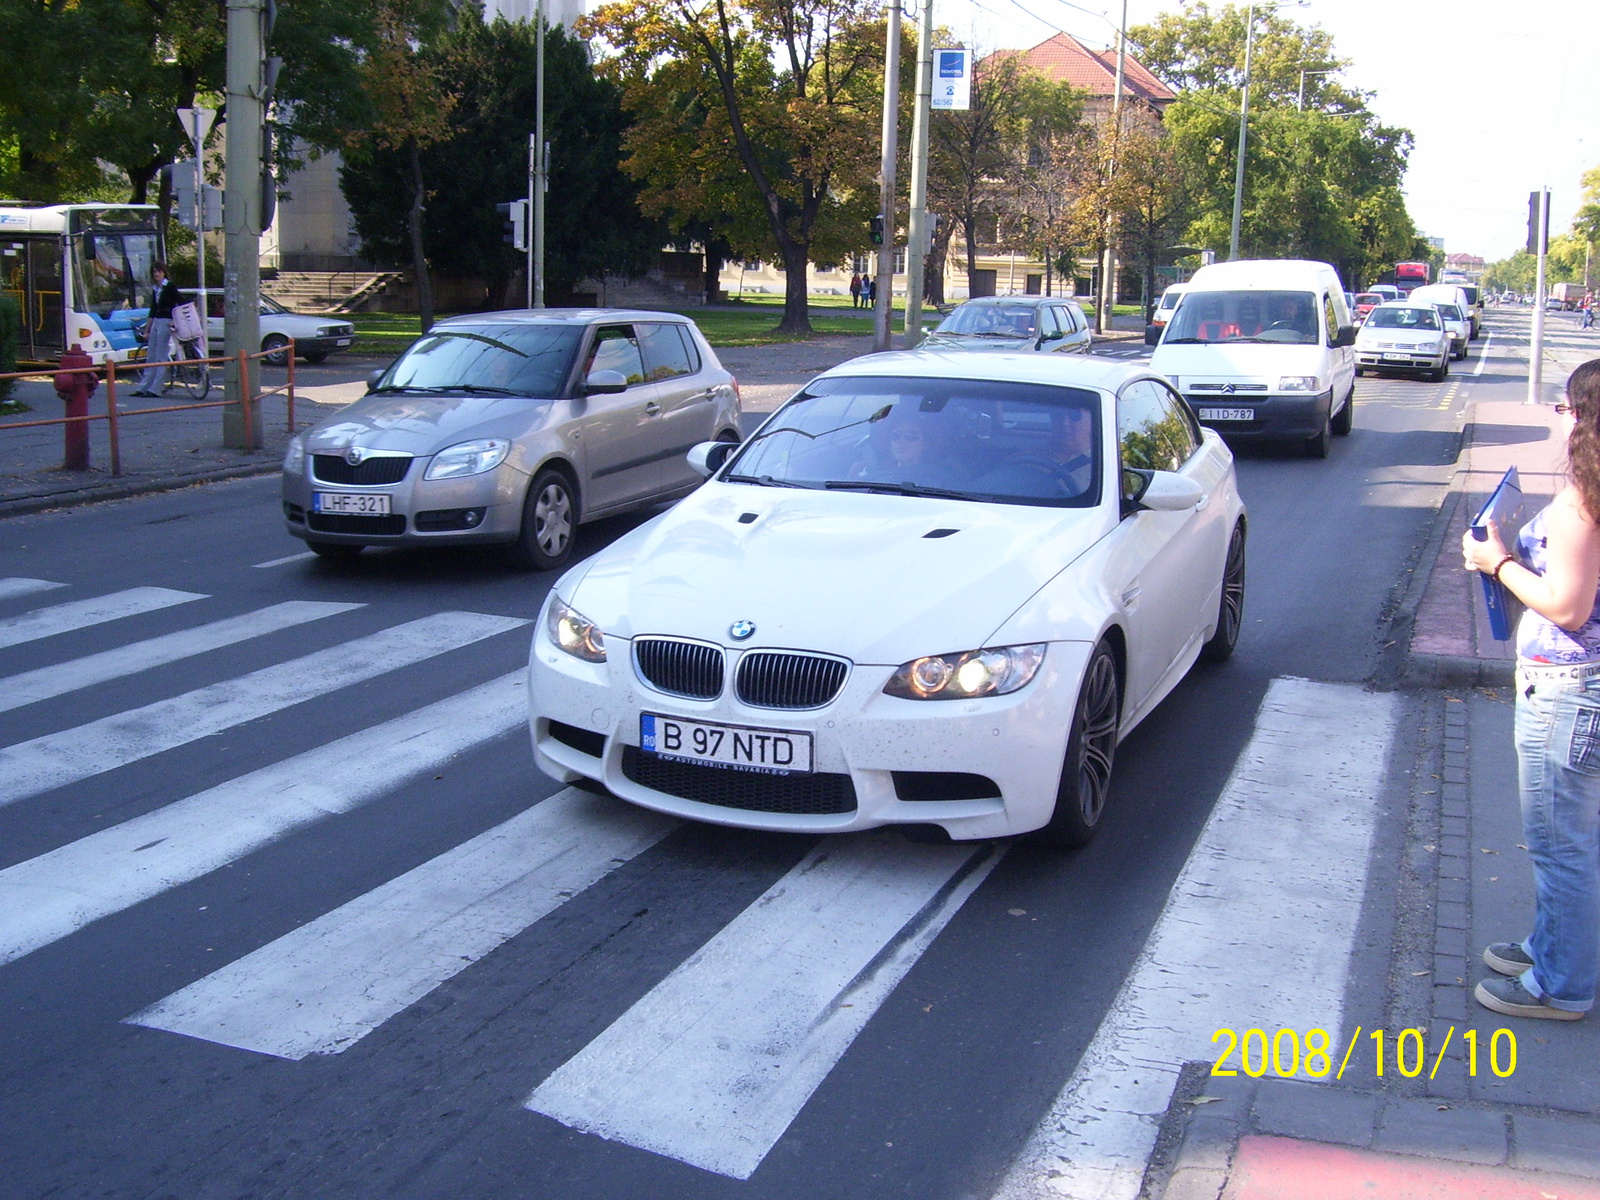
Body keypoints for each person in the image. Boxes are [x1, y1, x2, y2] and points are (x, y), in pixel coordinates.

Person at [1462, 357, 1600, 1021]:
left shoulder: (1583, 503)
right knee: (1568, 838)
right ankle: (1551, 949)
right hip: (1579, 686)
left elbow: (1567, 607)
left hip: (1566, 689)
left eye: (1566, 406)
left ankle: (1562, 986)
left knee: (1559, 845)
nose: (1559, 416)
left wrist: (1500, 562)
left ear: (1583, 418)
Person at [132, 262, 180, 396]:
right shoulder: (156, 289)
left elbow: (180, 303)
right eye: (154, 272)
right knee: (151, 355)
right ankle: (143, 387)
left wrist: (174, 320)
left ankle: (156, 388)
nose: (156, 274)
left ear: (164, 272)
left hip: (166, 321)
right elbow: (153, 311)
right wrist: (147, 330)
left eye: (159, 271)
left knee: (161, 355)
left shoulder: (170, 287)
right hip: (157, 321)